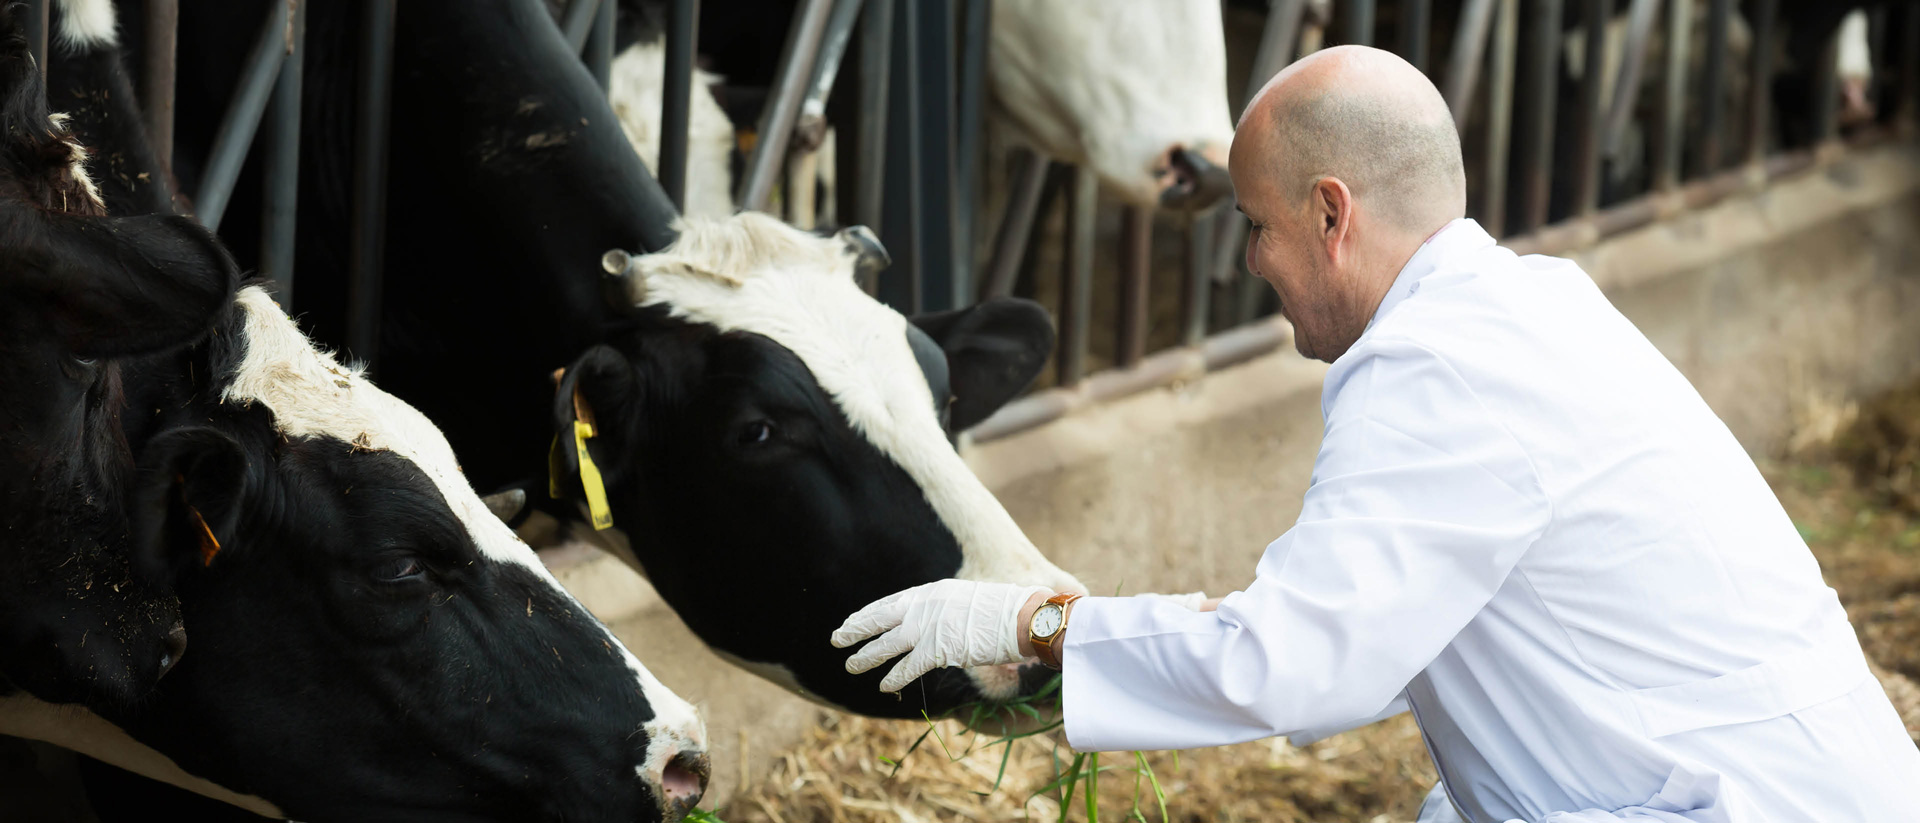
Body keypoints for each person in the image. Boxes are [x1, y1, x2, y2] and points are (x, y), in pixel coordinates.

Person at [830, 45, 1920, 822]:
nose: (1249, 262)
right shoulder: (1524, 307)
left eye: (1257, 226)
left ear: (1332, 214)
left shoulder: (1438, 367)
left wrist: (1036, 623)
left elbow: (1306, 667)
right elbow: (1368, 625)